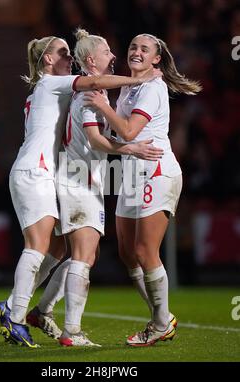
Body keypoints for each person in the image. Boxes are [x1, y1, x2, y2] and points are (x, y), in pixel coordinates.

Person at [0, 35, 164, 348]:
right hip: (62, 175)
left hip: (62, 174)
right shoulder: (69, 88)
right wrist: (131, 145)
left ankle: (32, 310)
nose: (115, 54)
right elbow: (96, 137)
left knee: (64, 251)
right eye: (63, 52)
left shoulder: (67, 89)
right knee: (57, 249)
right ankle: (55, 326)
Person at [84, 33, 202, 346]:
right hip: (132, 173)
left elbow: (129, 130)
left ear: (156, 59)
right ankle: (161, 317)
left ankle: (160, 322)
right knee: (127, 252)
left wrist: (101, 106)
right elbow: (119, 134)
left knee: (144, 250)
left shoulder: (152, 88)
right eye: (133, 46)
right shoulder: (129, 85)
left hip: (157, 171)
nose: (136, 51)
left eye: (144, 49)